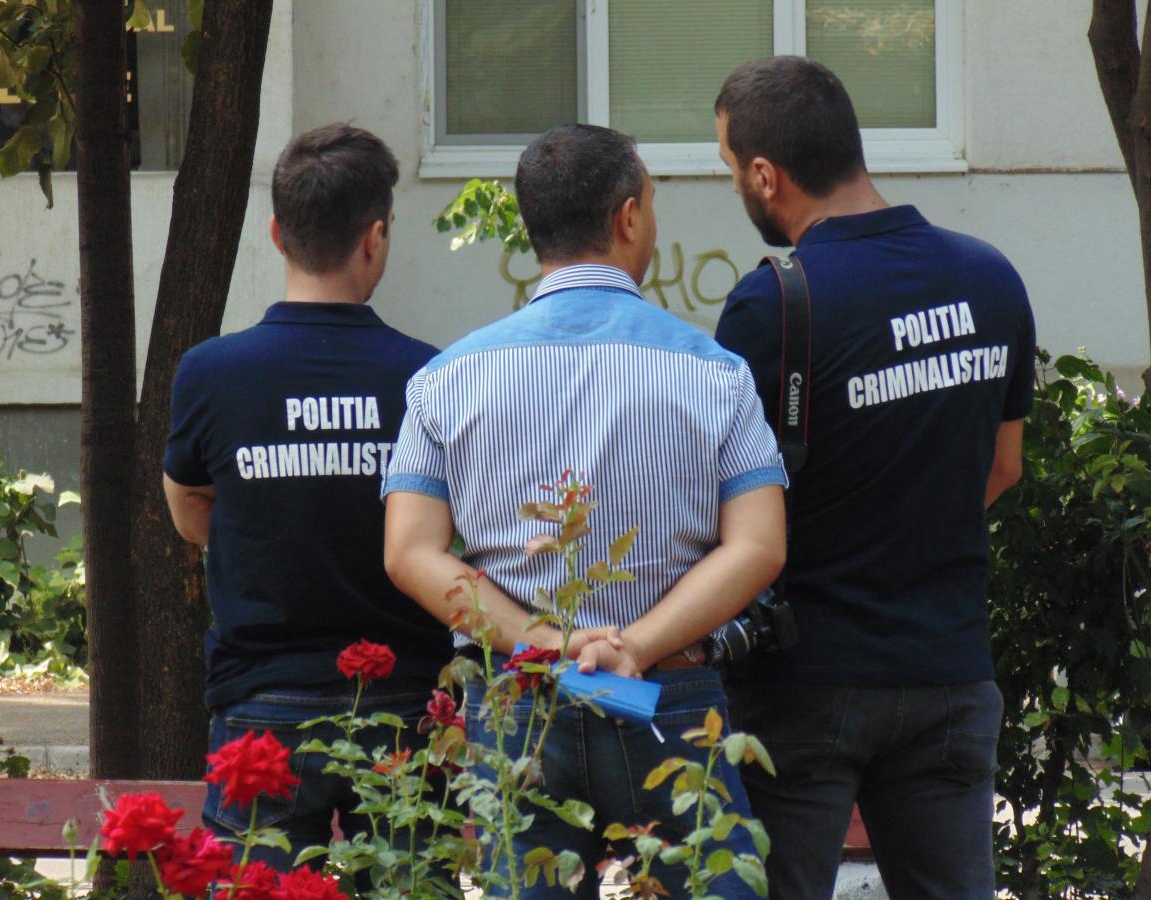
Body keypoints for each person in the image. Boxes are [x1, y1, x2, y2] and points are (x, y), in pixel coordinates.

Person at [381, 123, 787, 898]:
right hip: (670, 694)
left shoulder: (445, 381)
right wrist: (632, 647)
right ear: (629, 216)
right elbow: (760, 546)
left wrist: (543, 642)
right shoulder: (717, 375)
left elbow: (409, 553)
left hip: (519, 707)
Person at [712, 56, 1036, 899]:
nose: (736, 186)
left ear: (765, 175)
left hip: (806, 684)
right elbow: (1004, 465)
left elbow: (718, 506)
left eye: (730, 167)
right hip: (950, 670)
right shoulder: (989, 277)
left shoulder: (772, 305)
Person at [162, 124, 450, 870]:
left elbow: (188, 510)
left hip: (262, 706)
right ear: (376, 237)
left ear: (275, 232)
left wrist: (267, 522)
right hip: (403, 707)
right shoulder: (430, 378)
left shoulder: (211, 373)